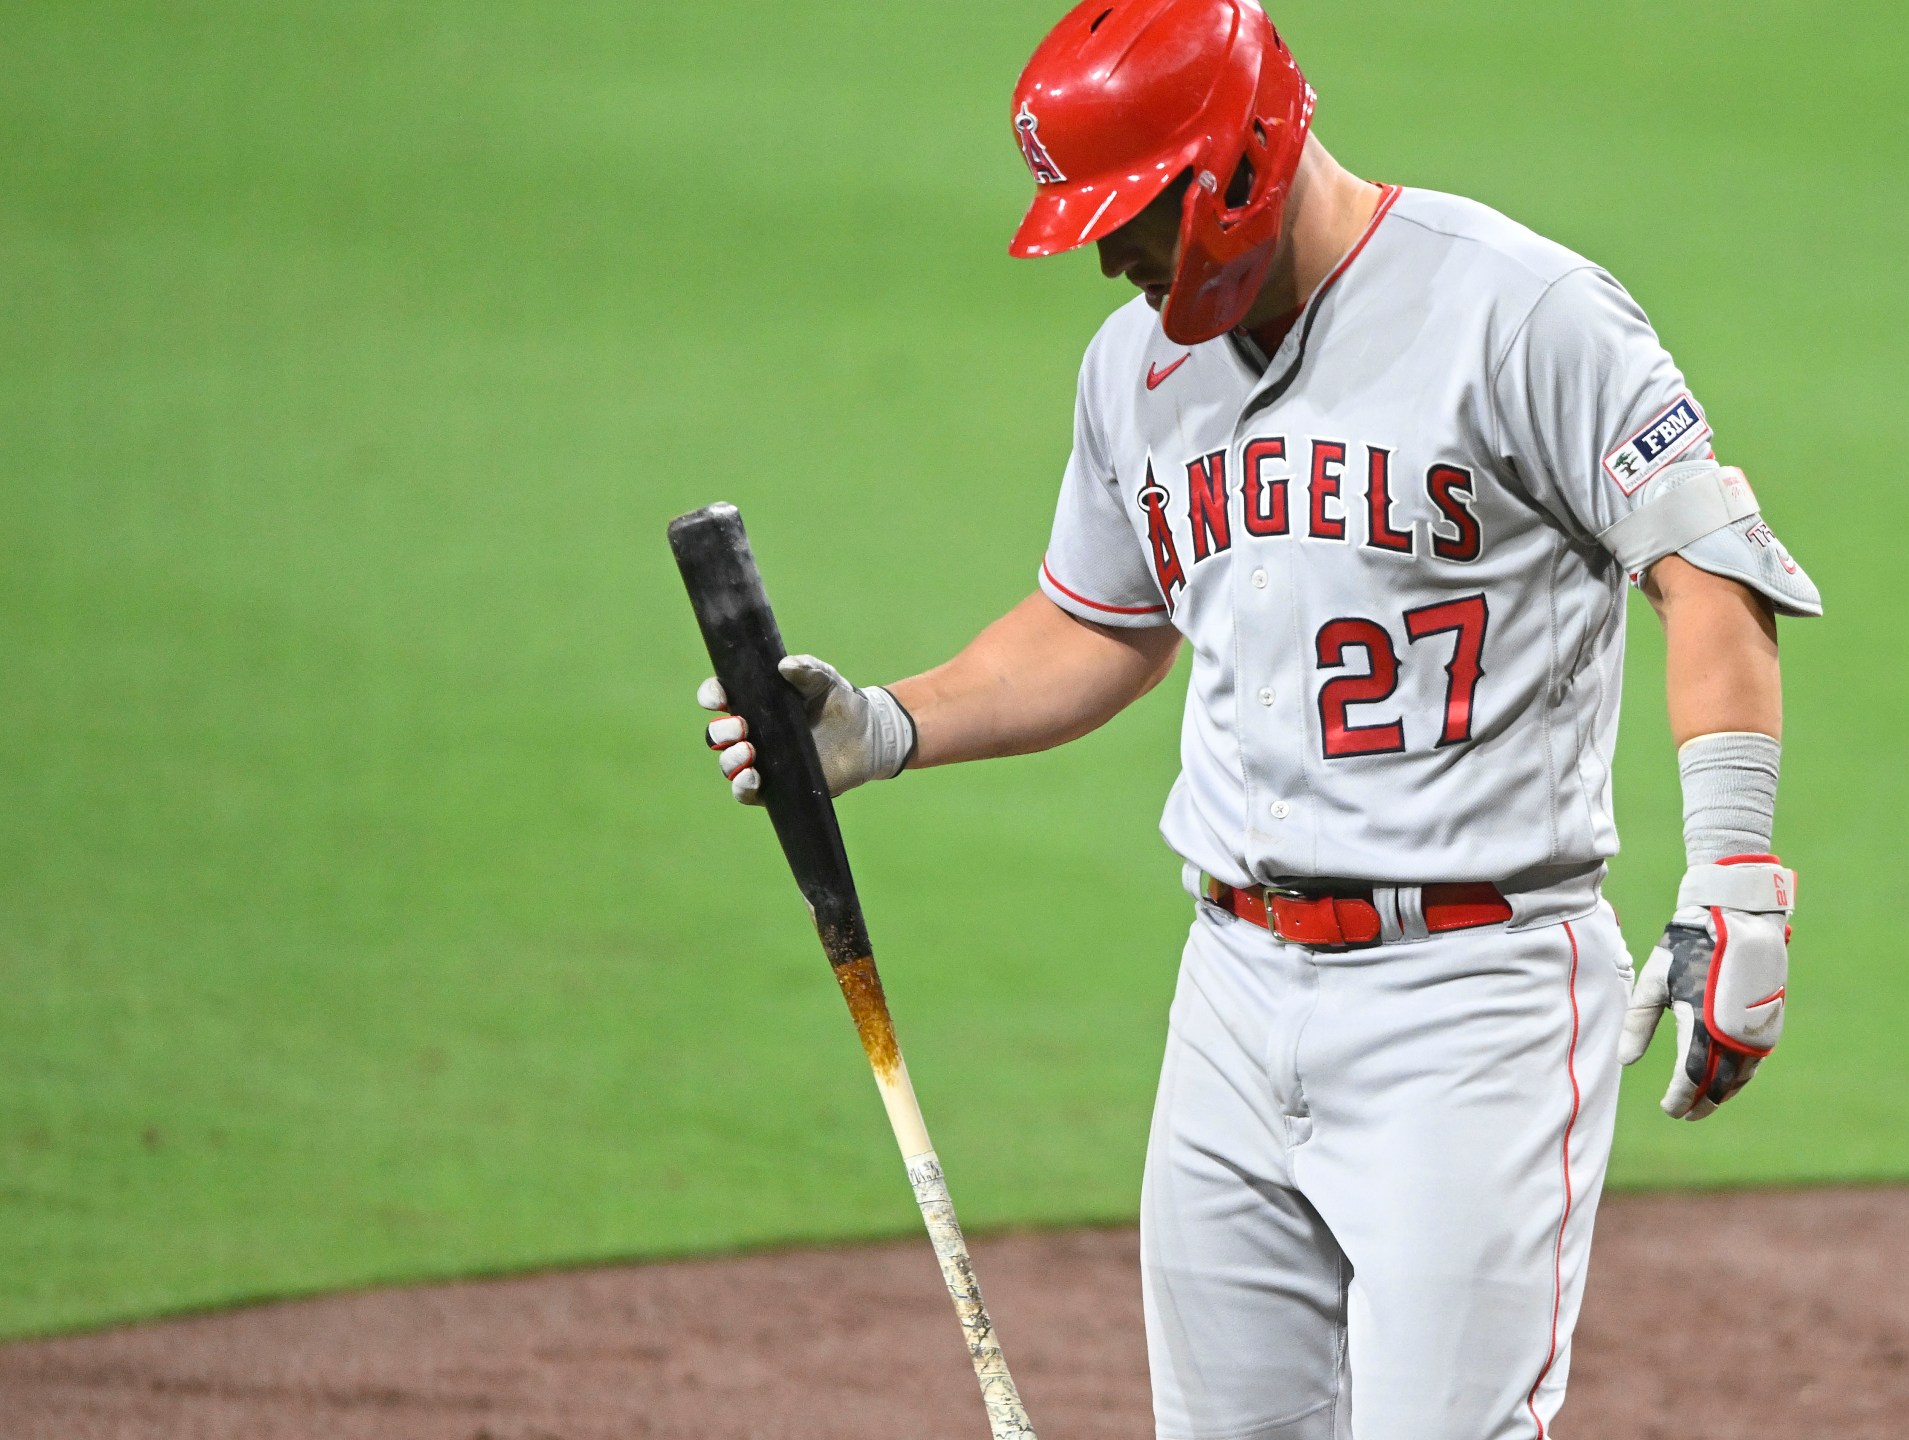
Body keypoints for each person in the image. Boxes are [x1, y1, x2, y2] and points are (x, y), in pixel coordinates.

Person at [698, 1, 1821, 1433]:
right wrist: (885, 725)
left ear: (1234, 164)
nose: (1110, 256)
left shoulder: (1521, 312)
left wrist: (1735, 873)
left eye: (1133, 216)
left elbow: (1707, 572)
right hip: (1231, 991)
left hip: (1469, 1002)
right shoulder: (1134, 368)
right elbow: (1098, 626)